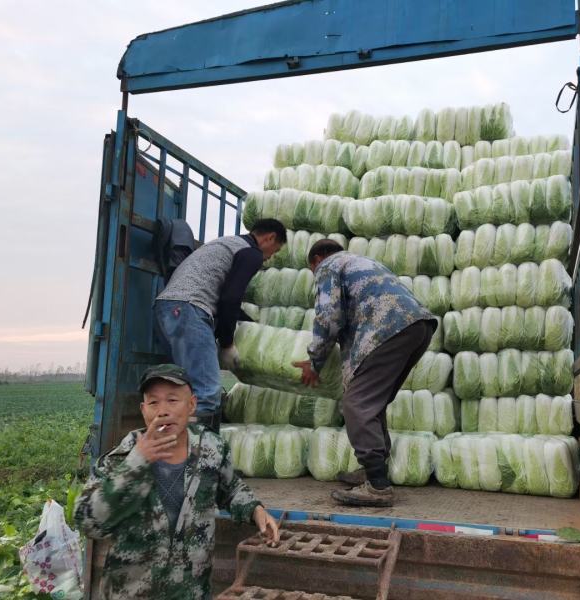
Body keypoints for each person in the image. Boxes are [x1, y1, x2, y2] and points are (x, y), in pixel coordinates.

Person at [74, 364, 279, 600]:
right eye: (153, 403)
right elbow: (88, 521)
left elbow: (230, 488)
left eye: (172, 400)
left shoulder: (210, 449)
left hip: (190, 592)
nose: (163, 411)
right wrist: (136, 464)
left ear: (191, 404)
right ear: (143, 410)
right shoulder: (121, 458)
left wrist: (255, 509)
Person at [293, 240, 437, 507]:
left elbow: (328, 317)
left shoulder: (329, 265)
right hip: (417, 326)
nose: (315, 274)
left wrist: (315, 362)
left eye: (312, 268)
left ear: (318, 258)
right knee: (373, 401)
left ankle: (378, 487)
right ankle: (373, 471)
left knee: (357, 404)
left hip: (387, 328)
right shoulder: (361, 263)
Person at [154, 219, 286, 432]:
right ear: (269, 238)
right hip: (191, 309)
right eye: (275, 250)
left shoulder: (227, 243)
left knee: (185, 391)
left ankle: (173, 451)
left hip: (167, 308)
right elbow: (230, 299)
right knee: (207, 393)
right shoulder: (251, 253)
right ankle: (198, 459)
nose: (271, 257)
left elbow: (227, 301)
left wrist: (252, 325)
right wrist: (227, 343)